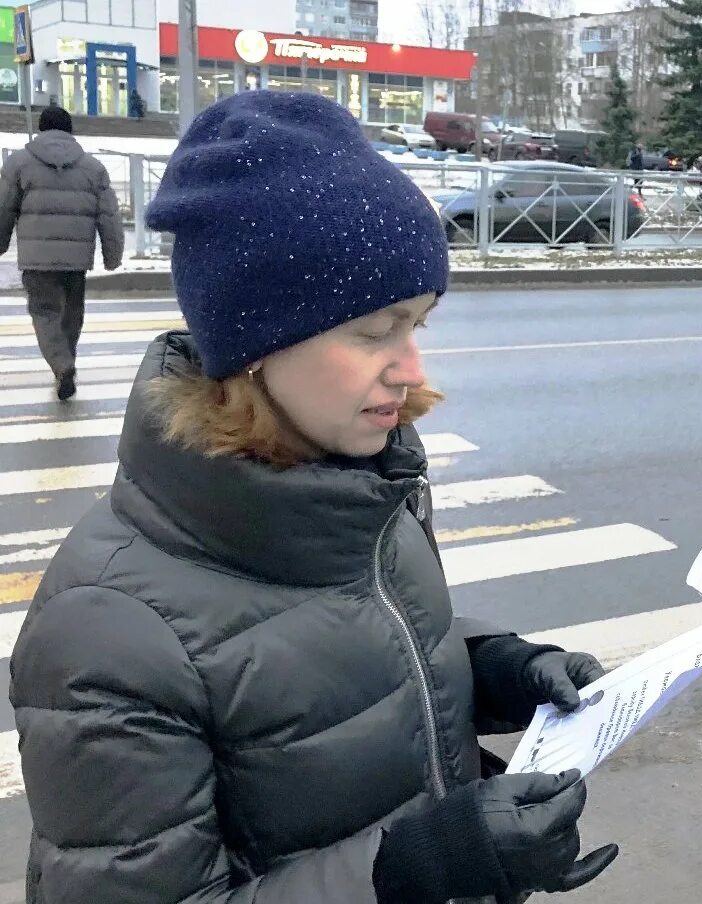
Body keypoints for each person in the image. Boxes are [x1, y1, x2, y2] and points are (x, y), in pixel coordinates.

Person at [10, 91, 618, 904]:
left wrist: (499, 670)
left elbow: (346, 646)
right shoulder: (107, 633)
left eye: (419, 326)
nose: (412, 371)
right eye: (374, 331)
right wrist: (420, 867)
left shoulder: (360, 482)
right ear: (256, 345)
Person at [0, 105, 123, 400]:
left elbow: (3, 208)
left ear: (41, 129)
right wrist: (113, 254)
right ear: (70, 131)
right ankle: (65, 363)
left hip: (36, 259)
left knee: (44, 313)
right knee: (72, 315)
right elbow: (110, 216)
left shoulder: (18, 163)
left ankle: (61, 364)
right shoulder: (93, 168)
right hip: (76, 260)